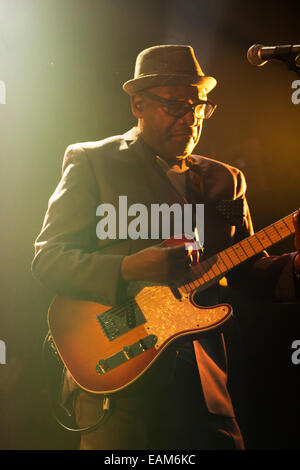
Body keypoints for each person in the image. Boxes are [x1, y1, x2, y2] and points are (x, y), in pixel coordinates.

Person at [32, 45, 300, 450]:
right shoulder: (92, 161)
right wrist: (130, 267)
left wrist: (296, 267)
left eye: (199, 106)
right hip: (117, 384)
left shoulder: (227, 181)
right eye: (175, 104)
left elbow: (248, 272)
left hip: (204, 386)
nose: (190, 116)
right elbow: (48, 260)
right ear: (138, 103)